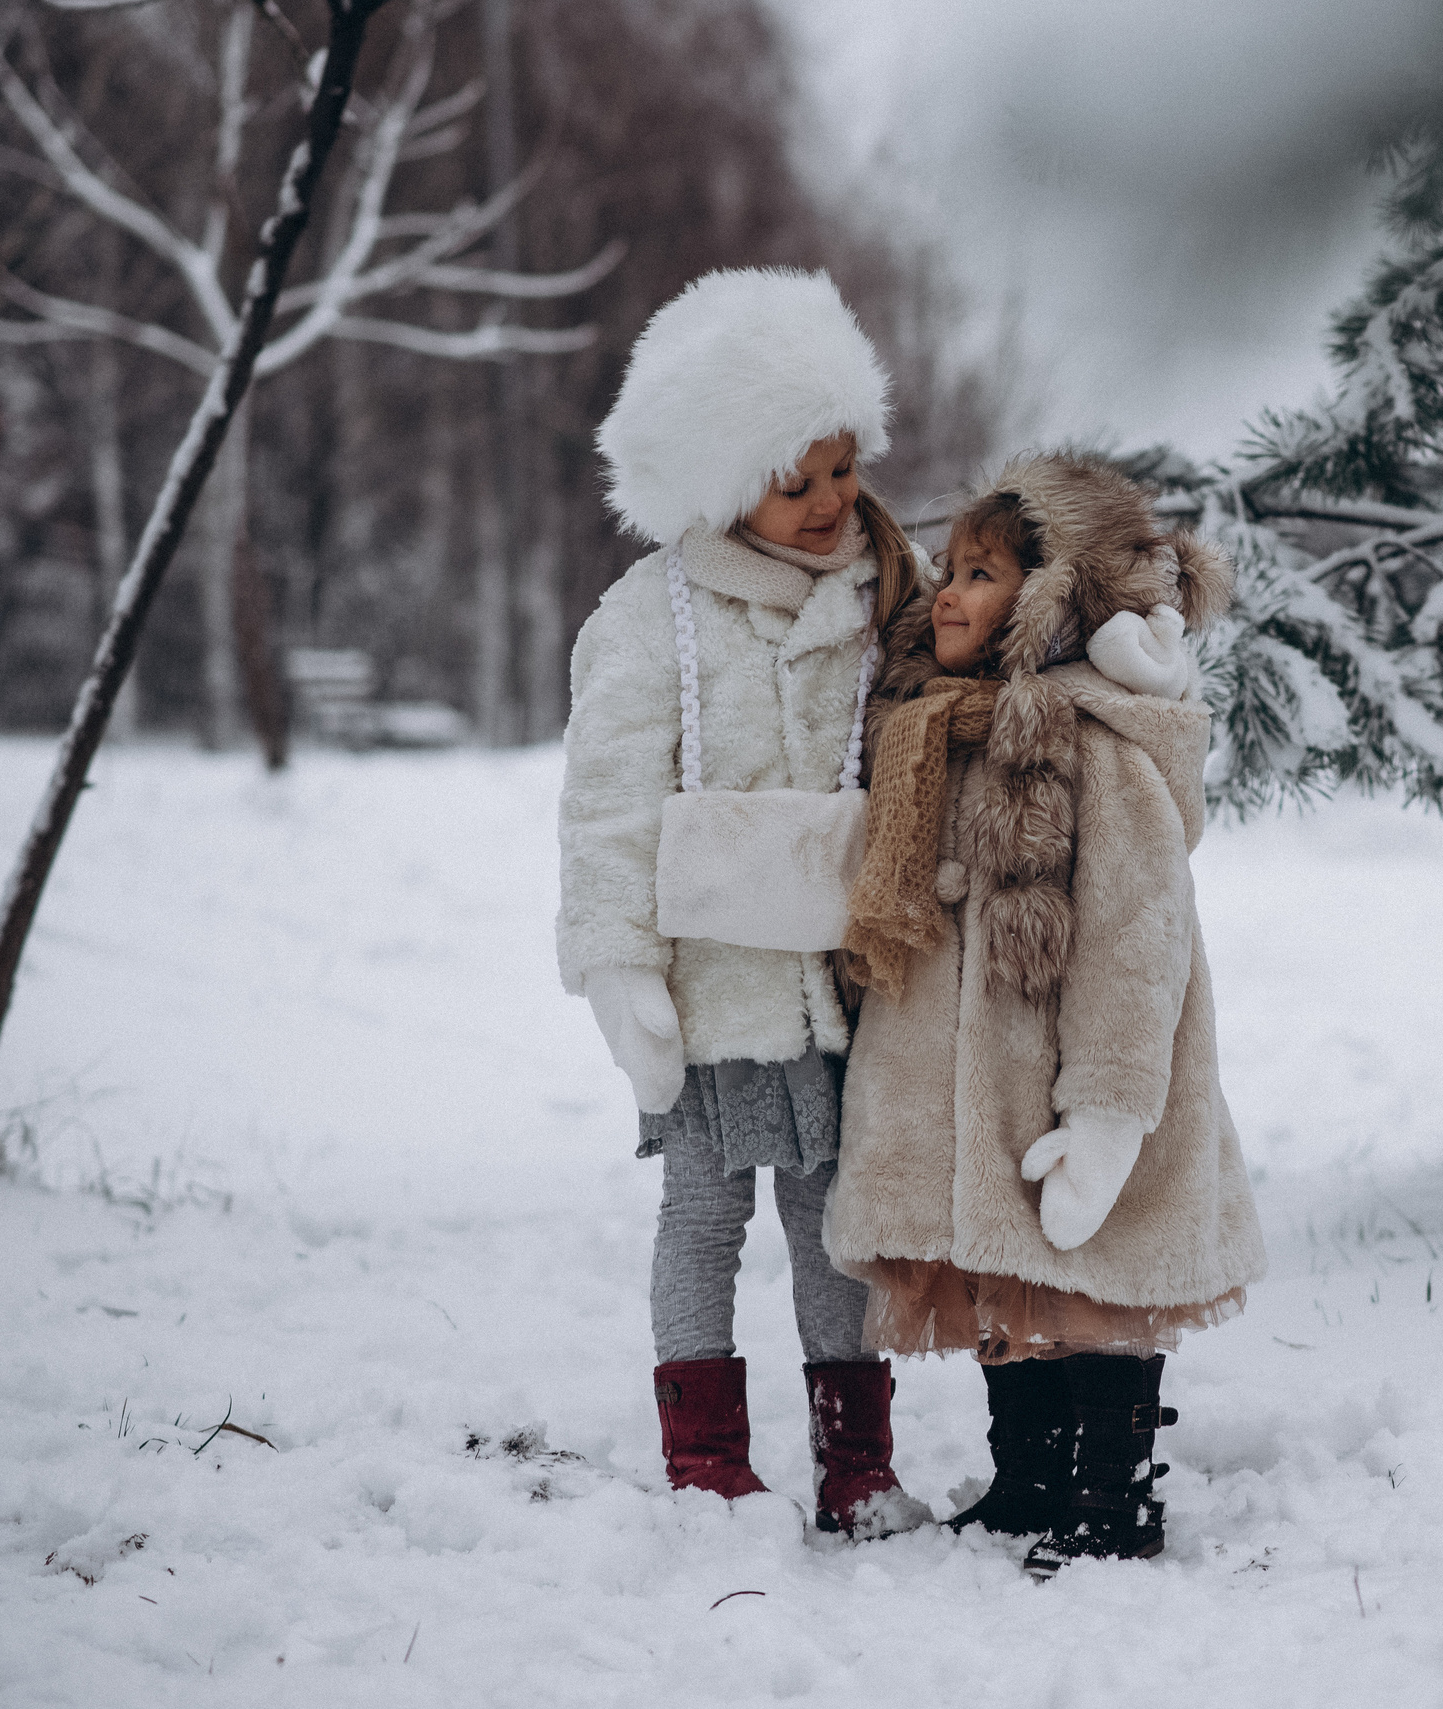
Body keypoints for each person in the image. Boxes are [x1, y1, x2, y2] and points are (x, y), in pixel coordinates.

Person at [824, 450, 1267, 1574]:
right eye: (951, 569)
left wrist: (1111, 1107)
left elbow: (1134, 934)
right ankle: (1027, 1475)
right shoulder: (942, 728)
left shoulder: (1092, 745)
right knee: (1006, 1278)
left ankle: (1113, 1490)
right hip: (983, 1081)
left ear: (1055, 599)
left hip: (1079, 1076)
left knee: (1093, 1283)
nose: (948, 593)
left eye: (981, 574)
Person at [557, 268, 931, 1538]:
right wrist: (619, 968)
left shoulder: (890, 592)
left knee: (836, 1222)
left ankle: (856, 1459)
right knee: (705, 1212)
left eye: (842, 468)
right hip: (711, 987)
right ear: (722, 487)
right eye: (797, 482)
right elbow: (606, 803)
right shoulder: (648, 620)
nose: (832, 502)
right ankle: (706, 1458)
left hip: (842, 979)